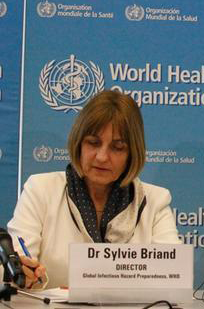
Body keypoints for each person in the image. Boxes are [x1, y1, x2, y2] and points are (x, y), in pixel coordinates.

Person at [7, 90, 181, 288]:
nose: (102, 157)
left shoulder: (155, 201)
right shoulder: (41, 190)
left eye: (117, 147)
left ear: (132, 154)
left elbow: (173, 278)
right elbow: (13, 268)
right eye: (93, 143)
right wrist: (21, 272)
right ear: (79, 144)